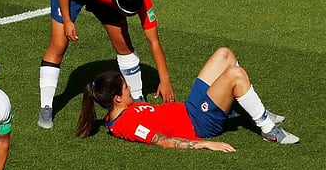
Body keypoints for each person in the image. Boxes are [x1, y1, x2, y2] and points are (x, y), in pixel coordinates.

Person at [38, 0, 175, 129]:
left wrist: (164, 80)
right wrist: (67, 21)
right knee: (59, 43)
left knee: (123, 44)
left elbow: (153, 41)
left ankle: (137, 99)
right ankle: (46, 106)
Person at [76, 47, 299, 150]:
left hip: (191, 107)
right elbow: (162, 140)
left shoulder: (120, 112)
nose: (129, 90)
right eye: (125, 88)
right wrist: (206, 145)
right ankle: (268, 129)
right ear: (116, 98)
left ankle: (255, 109)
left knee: (225, 54)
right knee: (235, 75)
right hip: (199, 122)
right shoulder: (126, 124)